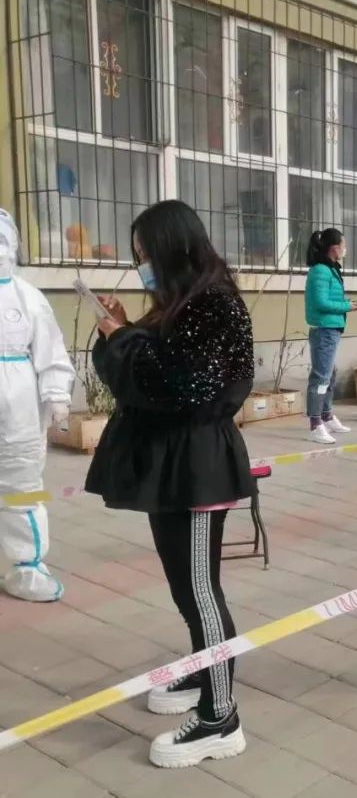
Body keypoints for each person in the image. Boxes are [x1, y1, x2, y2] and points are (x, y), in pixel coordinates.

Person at [85, 200, 254, 767]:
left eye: (145, 254)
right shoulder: (179, 303)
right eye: (136, 256)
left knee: (202, 591)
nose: (141, 265)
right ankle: (205, 674)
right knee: (186, 589)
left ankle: (220, 717)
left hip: (200, 466)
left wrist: (123, 338)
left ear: (172, 248)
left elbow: (181, 385)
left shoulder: (216, 305)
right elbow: (138, 377)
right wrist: (122, 330)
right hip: (171, 465)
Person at [0, 208, 74, 602]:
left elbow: (51, 351)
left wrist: (57, 395)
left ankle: (27, 566)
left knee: (22, 485)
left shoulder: (28, 297)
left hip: (20, 409)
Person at [304, 228, 357, 443]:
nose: (345, 249)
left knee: (330, 373)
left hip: (332, 329)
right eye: (344, 246)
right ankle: (315, 423)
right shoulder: (320, 270)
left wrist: (347, 304)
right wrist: (346, 306)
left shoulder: (330, 269)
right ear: (334, 248)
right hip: (324, 330)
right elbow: (321, 302)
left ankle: (326, 415)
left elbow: (330, 299)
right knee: (321, 377)